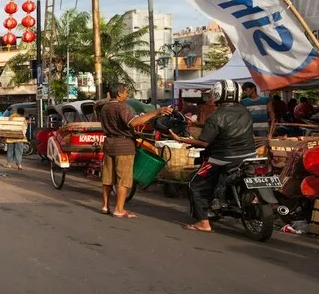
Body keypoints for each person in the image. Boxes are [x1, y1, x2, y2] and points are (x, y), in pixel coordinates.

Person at [171, 88, 258, 233]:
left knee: (195, 183)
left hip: (223, 158)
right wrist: (198, 125)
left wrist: (180, 139)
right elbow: (224, 127)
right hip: (249, 155)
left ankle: (203, 223)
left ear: (217, 95)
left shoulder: (215, 115)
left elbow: (204, 142)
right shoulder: (244, 111)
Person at [97, 83, 172, 219]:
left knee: (108, 178)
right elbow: (133, 123)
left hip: (109, 144)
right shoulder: (122, 107)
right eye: (126, 92)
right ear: (119, 94)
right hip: (123, 146)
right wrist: (156, 112)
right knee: (123, 179)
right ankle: (119, 209)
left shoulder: (105, 108)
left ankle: (105, 206)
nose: (128, 95)